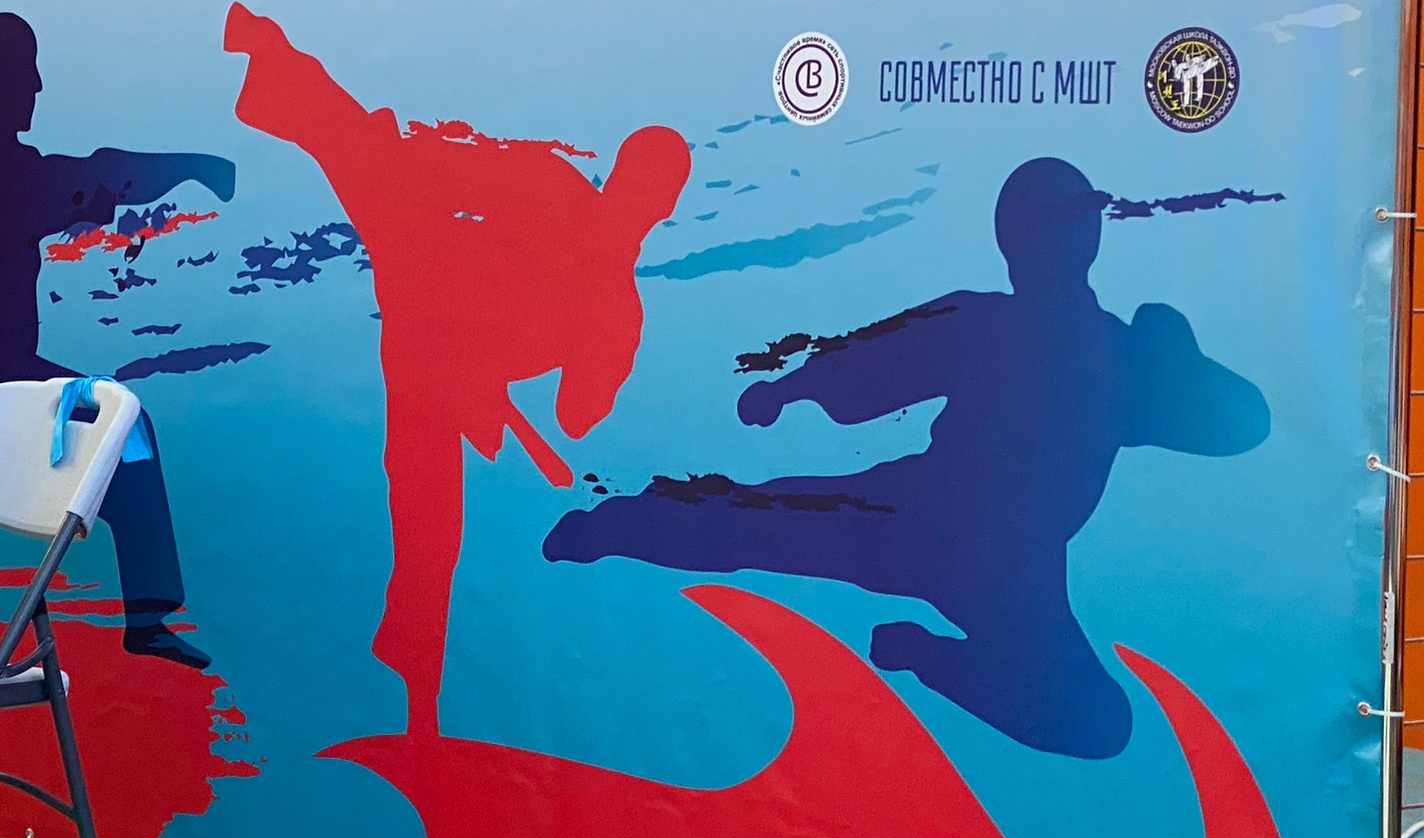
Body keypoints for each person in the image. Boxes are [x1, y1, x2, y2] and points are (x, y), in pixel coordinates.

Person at [543, 157, 1270, 759]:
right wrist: (790, 389)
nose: (1068, 235)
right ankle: (619, 525)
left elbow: (1243, 423)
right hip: (914, 513)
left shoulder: (1125, 359)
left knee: (1100, 723)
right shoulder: (987, 323)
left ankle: (935, 658)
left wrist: (1171, 354)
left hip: (1013, 569)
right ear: (1017, 240)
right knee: (755, 524)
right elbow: (872, 361)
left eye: (1076, 218)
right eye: (1053, 222)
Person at [226, 2, 689, 735]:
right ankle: (272, 62)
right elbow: (444, 173)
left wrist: (520, 369)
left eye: (647, 193)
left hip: (434, 356)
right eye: (638, 185)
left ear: (657, 204)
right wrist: (432, 241)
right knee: (363, 152)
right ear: (646, 193)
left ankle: (417, 688)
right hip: (423, 273)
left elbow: (575, 418)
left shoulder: (614, 311)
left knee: (431, 525)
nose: (637, 202)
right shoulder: (559, 202)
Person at [0, 11, 227, 669]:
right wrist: (194, 168)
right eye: (28, 71)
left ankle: (148, 615)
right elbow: (99, 176)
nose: (37, 86)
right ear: (0, 78)